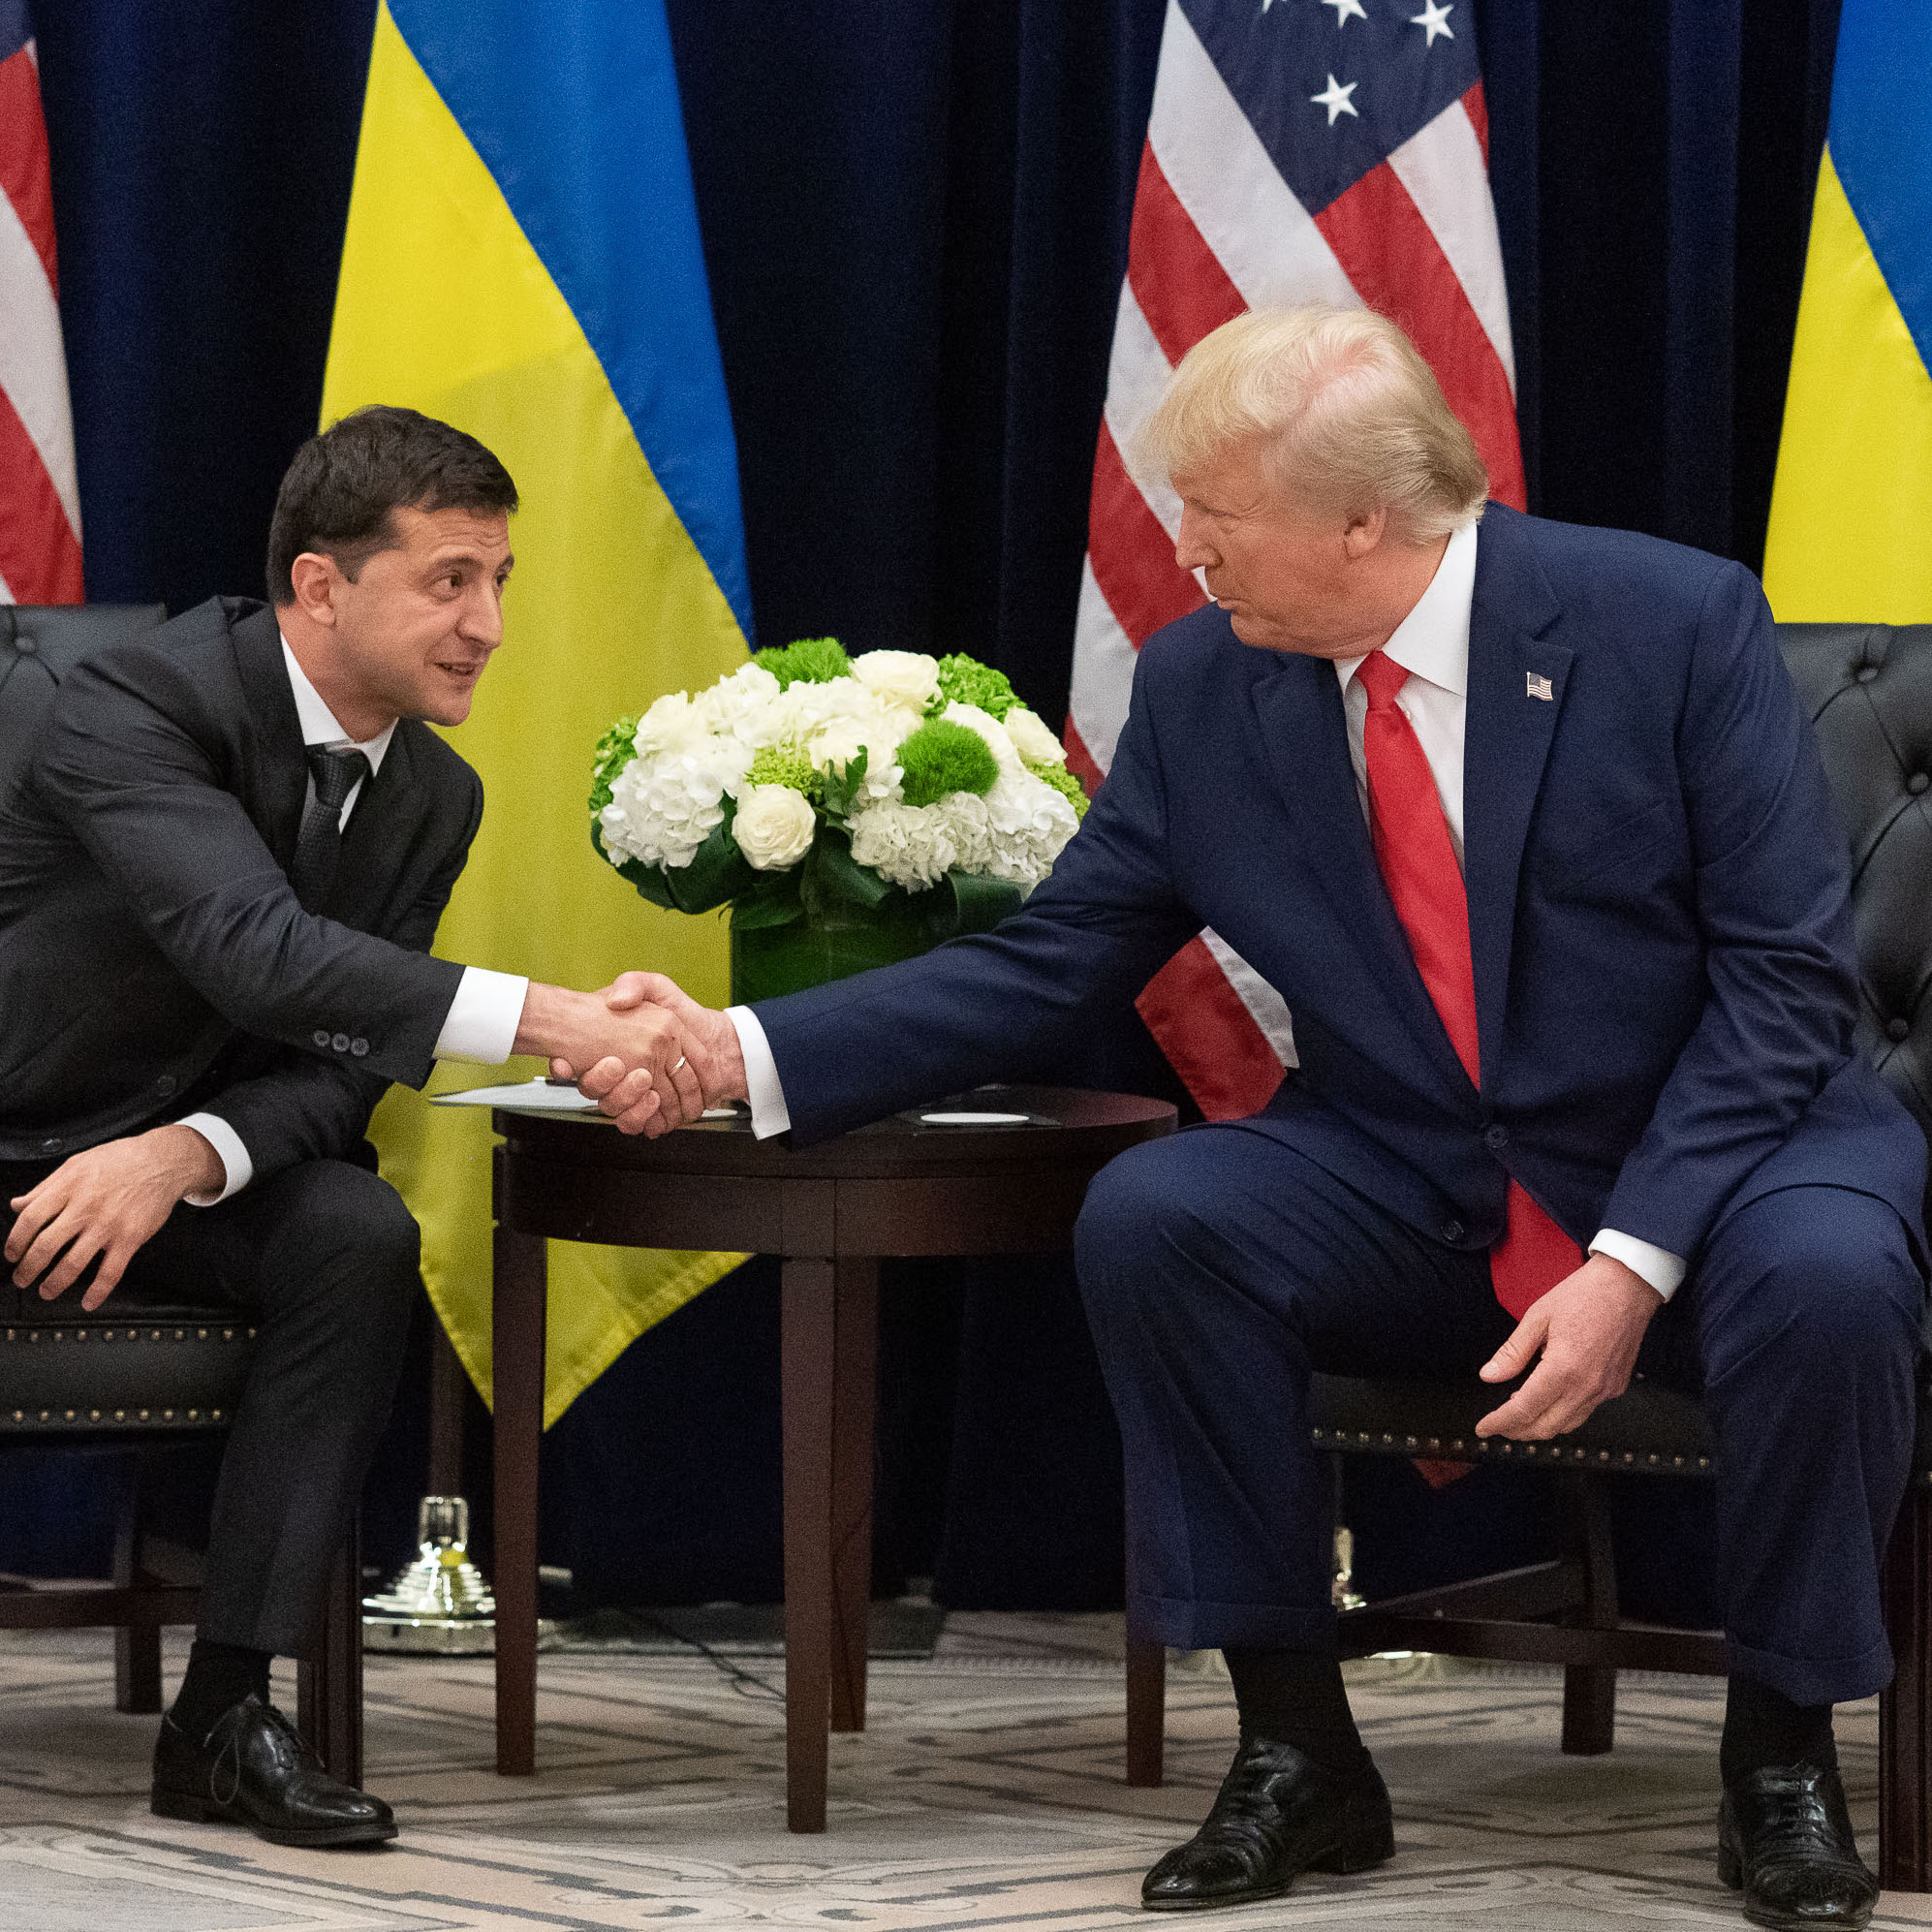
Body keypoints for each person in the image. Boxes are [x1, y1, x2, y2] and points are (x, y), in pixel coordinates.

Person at [575, 308, 1927, 1928]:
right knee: (1164, 1216)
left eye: (1215, 511)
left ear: (1365, 518)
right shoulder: (1209, 680)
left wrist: (1633, 1256)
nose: (1182, 543)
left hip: (1732, 1155)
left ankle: (1778, 1757)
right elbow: (1054, 959)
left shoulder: (1669, 623)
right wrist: (737, 1049)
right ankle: (1298, 1748)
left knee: (1832, 1280)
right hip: (1417, 1166)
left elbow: (1785, 991)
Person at [0, 405, 713, 1848]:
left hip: (164, 1164)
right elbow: (257, 952)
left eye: (500, 580)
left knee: (351, 1226)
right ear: (322, 585)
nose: (490, 623)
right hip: (7, 1138)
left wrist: (185, 1155)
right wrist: (567, 1022)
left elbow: (345, 1064)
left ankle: (224, 1714)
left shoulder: (433, 795)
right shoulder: (133, 704)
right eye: (451, 579)